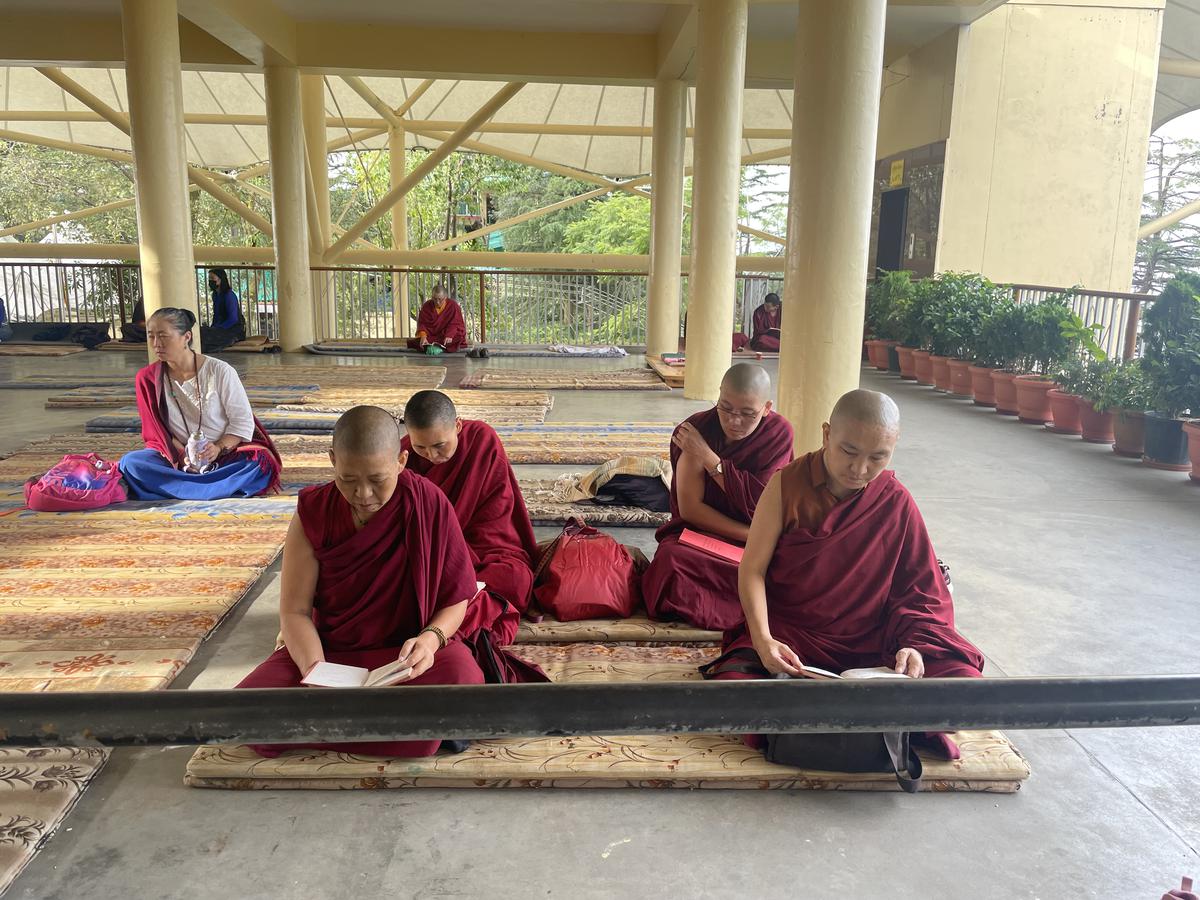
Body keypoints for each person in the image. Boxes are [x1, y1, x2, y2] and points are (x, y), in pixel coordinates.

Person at [701, 390, 983, 753]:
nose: (860, 469)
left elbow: (921, 592)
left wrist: (913, 645)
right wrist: (763, 640)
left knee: (964, 683)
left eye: (877, 457)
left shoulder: (895, 500)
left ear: (894, 448)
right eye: (849, 452)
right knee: (734, 690)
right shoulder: (786, 485)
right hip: (797, 635)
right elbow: (752, 570)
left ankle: (817, 721)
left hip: (875, 642)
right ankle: (889, 722)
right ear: (826, 435)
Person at [236, 405, 487, 758]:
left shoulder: (428, 502)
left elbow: (456, 599)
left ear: (401, 461)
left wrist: (430, 641)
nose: (363, 495)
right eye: (348, 480)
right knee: (243, 710)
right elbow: (294, 612)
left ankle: (330, 727)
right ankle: (408, 733)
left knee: (464, 678)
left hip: (403, 657)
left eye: (377, 480)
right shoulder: (314, 511)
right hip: (330, 654)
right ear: (332, 460)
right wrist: (316, 671)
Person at [401, 390, 547, 683]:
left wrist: (461, 552)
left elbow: (498, 512)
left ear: (457, 426)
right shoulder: (402, 454)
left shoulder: (482, 440)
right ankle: (455, 621)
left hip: (485, 548)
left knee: (514, 578)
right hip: (435, 551)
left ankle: (444, 625)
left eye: (440, 445)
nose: (431, 455)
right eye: (422, 447)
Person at [641, 364, 794, 630]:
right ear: (719, 395)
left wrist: (709, 458)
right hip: (706, 536)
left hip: (760, 538)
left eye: (748, 414)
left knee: (787, 572)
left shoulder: (779, 433)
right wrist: (748, 535)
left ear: (767, 407)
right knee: (671, 563)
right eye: (726, 408)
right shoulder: (696, 431)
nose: (734, 421)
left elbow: (762, 503)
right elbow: (690, 510)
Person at [119, 307, 281, 500]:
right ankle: (209, 486)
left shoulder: (220, 371)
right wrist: (183, 456)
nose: (156, 344)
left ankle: (179, 487)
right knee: (131, 463)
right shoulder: (148, 378)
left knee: (259, 464)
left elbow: (242, 422)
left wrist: (218, 448)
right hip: (177, 458)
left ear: (186, 337)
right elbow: (156, 433)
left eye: (163, 336)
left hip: (224, 455)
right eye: (151, 336)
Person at [406, 285, 467, 354]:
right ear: (432, 297)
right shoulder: (427, 306)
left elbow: (456, 323)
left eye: (440, 299)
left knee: (458, 338)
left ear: (445, 297)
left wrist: (450, 335)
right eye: (435, 299)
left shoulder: (453, 306)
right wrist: (423, 336)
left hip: (446, 335)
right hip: (432, 336)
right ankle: (440, 347)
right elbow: (422, 324)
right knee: (419, 341)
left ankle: (436, 347)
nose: (437, 302)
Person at [201, 268, 246, 352]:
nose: (210, 281)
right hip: (221, 328)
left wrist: (218, 328)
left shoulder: (229, 295)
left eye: (212, 278)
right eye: (209, 278)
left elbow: (233, 319)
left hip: (234, 330)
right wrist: (212, 328)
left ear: (221, 279)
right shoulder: (215, 295)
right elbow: (216, 315)